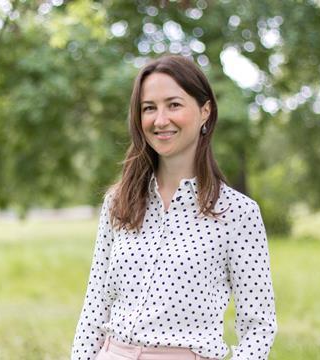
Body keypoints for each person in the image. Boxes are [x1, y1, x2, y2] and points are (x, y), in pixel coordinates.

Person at [71, 54, 277, 360]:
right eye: (149, 108)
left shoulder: (238, 213)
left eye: (174, 105)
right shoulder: (118, 202)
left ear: (205, 110)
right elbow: (95, 305)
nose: (160, 119)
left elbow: (259, 325)